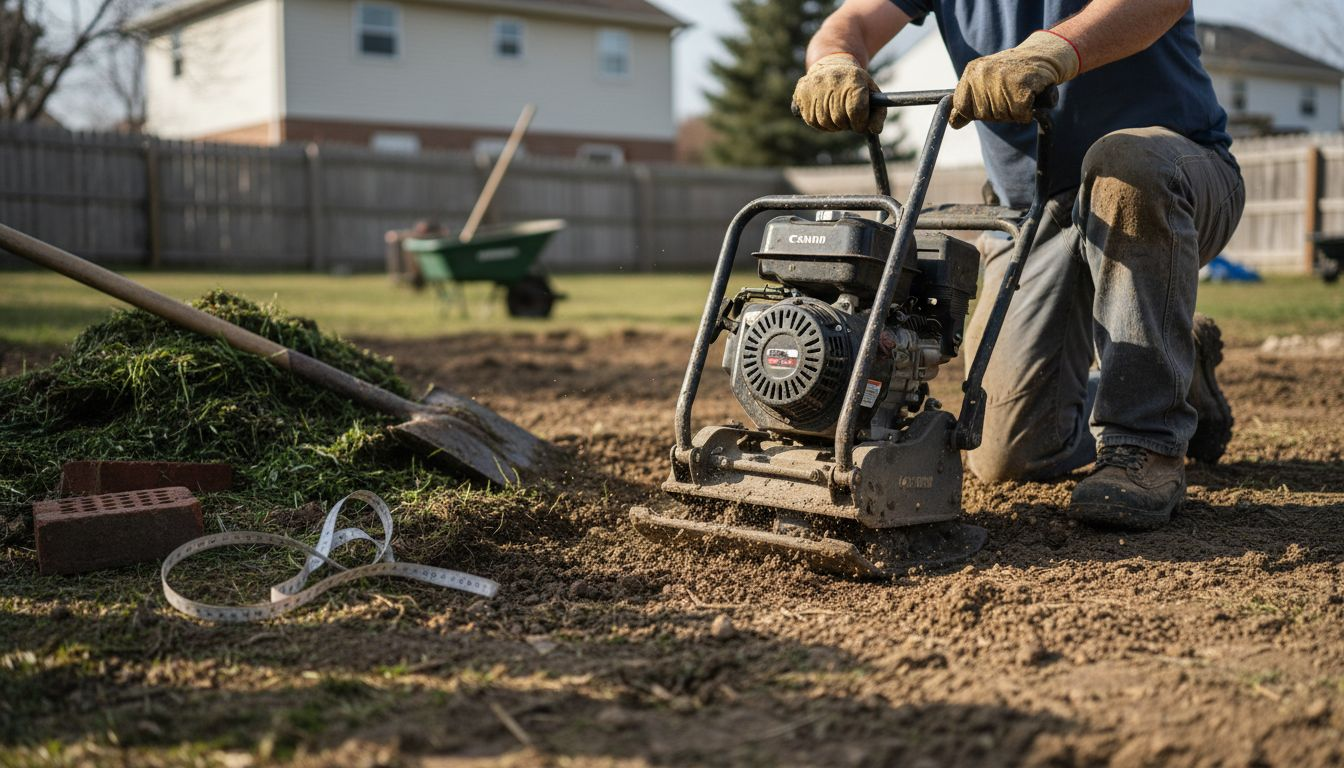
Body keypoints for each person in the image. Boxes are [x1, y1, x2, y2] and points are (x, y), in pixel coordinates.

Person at [792, 0, 1244, 530]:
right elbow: (851, 22)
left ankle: (1145, 446)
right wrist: (832, 62)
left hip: (1171, 177)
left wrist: (1052, 51)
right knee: (1007, 455)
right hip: (1031, 210)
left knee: (1123, 163)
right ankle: (1173, 363)